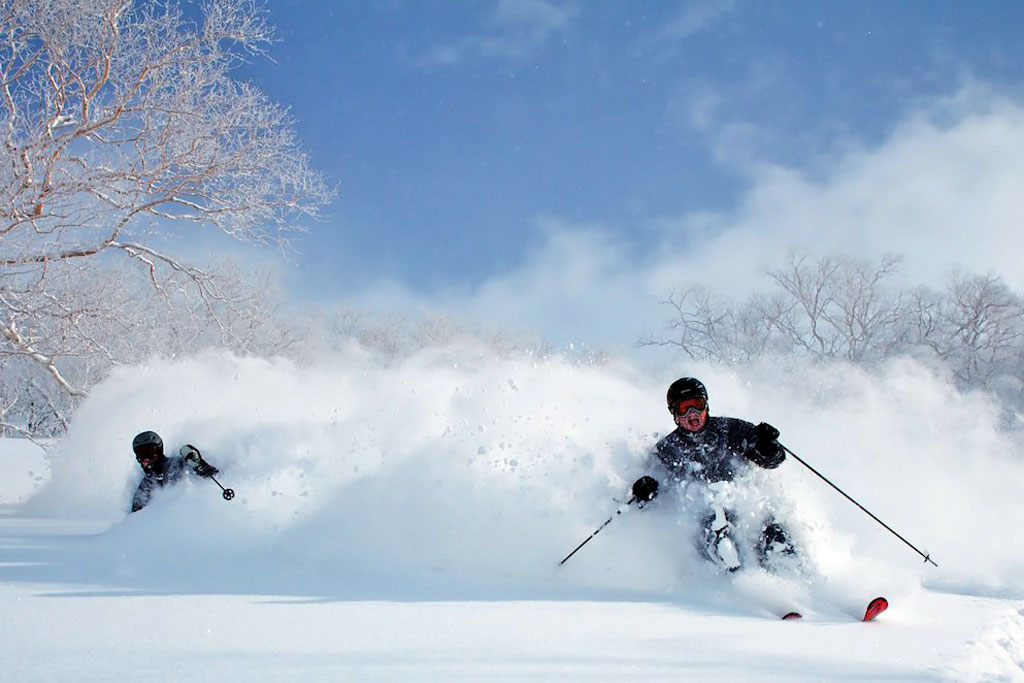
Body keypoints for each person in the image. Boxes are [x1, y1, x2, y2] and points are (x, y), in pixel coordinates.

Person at [631, 377, 796, 572]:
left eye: (697, 404)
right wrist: (645, 490)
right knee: (719, 534)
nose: (692, 414)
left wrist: (768, 448)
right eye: (684, 408)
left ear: (706, 405)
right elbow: (654, 495)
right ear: (674, 413)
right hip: (707, 520)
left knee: (773, 532)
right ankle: (743, 585)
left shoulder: (732, 430)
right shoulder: (667, 449)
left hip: (747, 508)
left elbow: (772, 461)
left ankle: (797, 583)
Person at [130, 431, 220, 513]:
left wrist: (200, 464)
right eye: (141, 454)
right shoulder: (145, 486)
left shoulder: (176, 464)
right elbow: (136, 516)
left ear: (159, 449)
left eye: (149, 451)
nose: (146, 458)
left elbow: (212, 477)